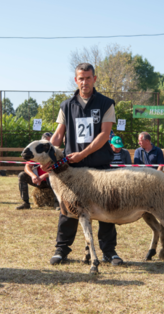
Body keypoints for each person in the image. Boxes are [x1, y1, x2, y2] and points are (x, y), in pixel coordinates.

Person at [47, 63, 123, 266]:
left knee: (107, 209)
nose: (84, 82)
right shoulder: (66, 105)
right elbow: (58, 135)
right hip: (73, 169)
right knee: (68, 209)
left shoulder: (106, 103)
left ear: (94, 79)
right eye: (81, 78)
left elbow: (105, 134)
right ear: (76, 80)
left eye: (88, 78)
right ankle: (61, 250)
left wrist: (83, 154)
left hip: (99, 166)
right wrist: (45, 154)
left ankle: (109, 252)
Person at [16, 132, 59, 210]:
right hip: (38, 181)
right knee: (22, 175)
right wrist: (34, 176)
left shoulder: (56, 154)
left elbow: (57, 170)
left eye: (49, 141)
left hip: (50, 180)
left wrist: (43, 176)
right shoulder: (37, 153)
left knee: (55, 176)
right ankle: (26, 203)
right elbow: (27, 167)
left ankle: (57, 204)